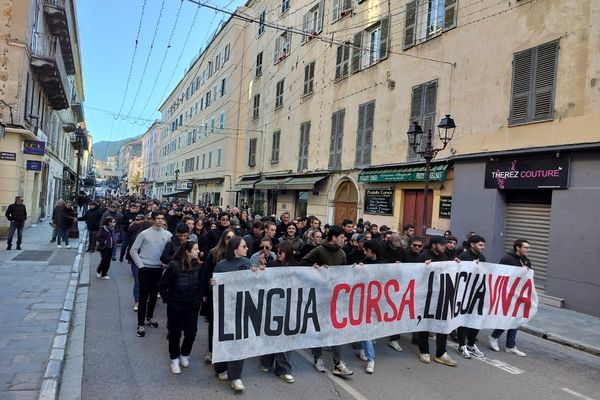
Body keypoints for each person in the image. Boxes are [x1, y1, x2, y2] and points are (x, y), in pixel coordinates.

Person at [301, 225, 353, 376]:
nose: (345, 240)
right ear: (334, 238)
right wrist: (314, 267)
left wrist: (355, 270)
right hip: (319, 297)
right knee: (319, 329)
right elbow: (302, 264)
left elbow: (345, 273)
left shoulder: (342, 253)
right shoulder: (319, 250)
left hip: (335, 298)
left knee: (336, 330)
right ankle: (318, 358)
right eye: (343, 237)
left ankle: (338, 363)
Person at [212, 236, 254, 392]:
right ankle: (220, 368)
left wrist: (258, 274)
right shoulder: (221, 266)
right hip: (225, 311)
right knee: (224, 341)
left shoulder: (248, 263)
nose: (247, 249)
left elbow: (255, 285)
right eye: (244, 246)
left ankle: (236, 377)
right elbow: (214, 290)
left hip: (242, 309)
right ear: (235, 248)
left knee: (239, 343)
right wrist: (213, 284)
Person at [158, 241, 203, 374]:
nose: (198, 251)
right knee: (174, 333)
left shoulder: (198, 265)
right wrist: (169, 300)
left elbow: (200, 284)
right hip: (176, 305)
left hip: (192, 305)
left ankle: (185, 353)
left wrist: (198, 299)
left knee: (191, 332)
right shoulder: (173, 266)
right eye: (195, 249)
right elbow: (162, 285)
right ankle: (174, 359)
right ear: (187, 252)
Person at [415, 236, 458, 367]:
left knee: (442, 324)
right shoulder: (423, 257)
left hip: (441, 295)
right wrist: (424, 267)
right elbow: (414, 274)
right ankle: (424, 351)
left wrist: (456, 264)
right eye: (442, 244)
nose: (445, 246)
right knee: (425, 324)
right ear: (434, 245)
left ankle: (441, 353)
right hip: (426, 296)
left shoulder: (445, 257)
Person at [129, 211, 172, 338]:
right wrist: (141, 266)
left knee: (154, 295)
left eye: (162, 218)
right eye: (157, 218)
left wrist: (165, 264)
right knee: (143, 297)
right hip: (145, 268)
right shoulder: (144, 234)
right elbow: (133, 251)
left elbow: (169, 253)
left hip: (159, 269)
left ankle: (150, 317)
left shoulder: (168, 235)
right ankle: (140, 324)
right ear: (153, 219)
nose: (160, 221)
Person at [258, 241, 295, 383]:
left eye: (280, 252)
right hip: (273, 307)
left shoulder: (297, 267)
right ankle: (266, 362)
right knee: (271, 335)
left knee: (286, 338)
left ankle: (284, 369)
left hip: (289, 307)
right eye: (277, 251)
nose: (277, 254)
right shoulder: (272, 265)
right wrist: (261, 270)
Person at [489, 239, 531, 357]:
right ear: (517, 248)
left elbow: (528, 278)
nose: (528, 250)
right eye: (525, 248)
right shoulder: (507, 259)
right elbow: (500, 275)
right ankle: (494, 336)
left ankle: (510, 346)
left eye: (528, 248)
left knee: (516, 319)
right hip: (507, 293)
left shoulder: (526, 261)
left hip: (519, 294)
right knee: (508, 318)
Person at [201, 228, 236, 363]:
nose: (230, 240)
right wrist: (205, 291)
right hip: (215, 293)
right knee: (214, 323)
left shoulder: (238, 254)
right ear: (223, 239)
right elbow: (206, 273)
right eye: (228, 237)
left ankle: (225, 349)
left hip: (231, 296)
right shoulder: (214, 253)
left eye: (233, 238)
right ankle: (211, 350)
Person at [456, 235, 487, 359]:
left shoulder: (482, 257)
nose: (483, 247)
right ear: (472, 244)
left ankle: (471, 344)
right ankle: (461, 345)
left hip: (478, 293)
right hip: (465, 293)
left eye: (483, 245)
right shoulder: (464, 256)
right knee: (463, 319)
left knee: (476, 318)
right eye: (480, 245)